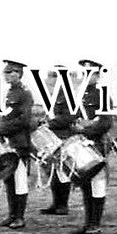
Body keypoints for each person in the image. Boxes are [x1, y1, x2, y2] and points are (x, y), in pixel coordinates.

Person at [69, 59, 113, 234]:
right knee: (85, 184)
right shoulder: (79, 96)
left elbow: (105, 123)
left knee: (98, 184)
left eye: (91, 74)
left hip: (97, 144)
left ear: (97, 76)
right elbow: (73, 121)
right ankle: (88, 223)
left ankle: (95, 224)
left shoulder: (103, 96)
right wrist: (76, 127)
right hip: (82, 145)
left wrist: (86, 127)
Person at [0, 59, 34, 229]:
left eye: (11, 72)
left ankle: (19, 217)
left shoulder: (25, 93)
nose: (7, 75)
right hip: (10, 142)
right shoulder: (10, 93)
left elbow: (24, 120)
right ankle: (11, 215)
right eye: (6, 72)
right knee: (9, 179)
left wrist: (3, 129)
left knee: (20, 180)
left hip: (20, 142)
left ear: (19, 74)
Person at [40, 65, 76, 216]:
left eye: (54, 76)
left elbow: (68, 117)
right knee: (52, 171)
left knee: (62, 172)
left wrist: (50, 124)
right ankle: (56, 203)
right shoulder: (53, 96)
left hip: (63, 136)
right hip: (52, 137)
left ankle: (63, 205)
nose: (50, 79)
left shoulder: (68, 95)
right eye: (50, 75)